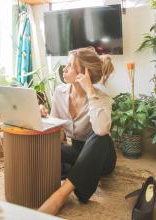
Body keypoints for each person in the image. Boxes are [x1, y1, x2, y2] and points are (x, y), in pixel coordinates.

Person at [38, 47, 116, 215]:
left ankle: (59, 196)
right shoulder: (60, 92)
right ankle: (80, 179)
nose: (64, 69)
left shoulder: (101, 96)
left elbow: (102, 130)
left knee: (100, 137)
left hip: (101, 154)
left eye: (70, 65)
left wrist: (90, 91)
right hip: (76, 152)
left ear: (84, 73)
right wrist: (42, 116)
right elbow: (54, 129)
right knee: (46, 149)